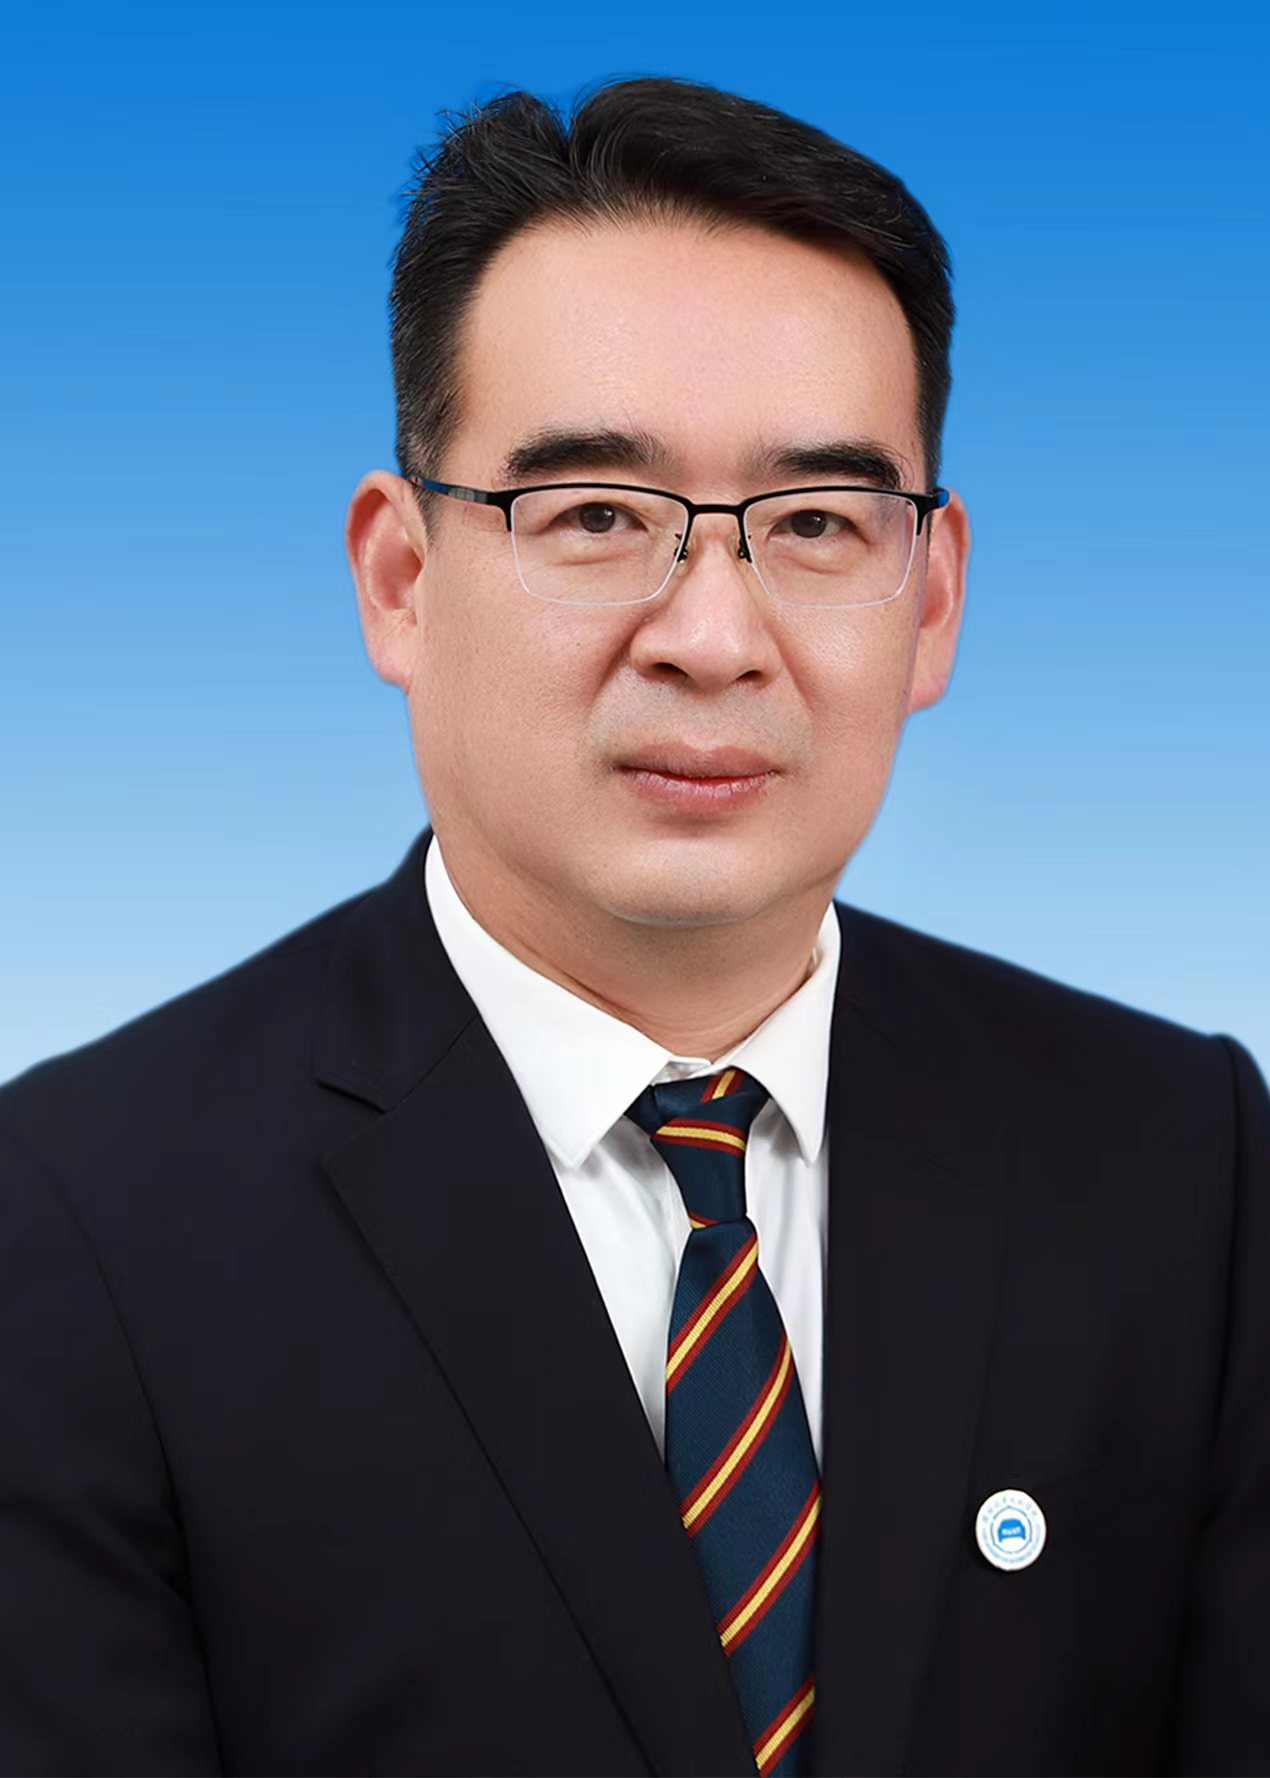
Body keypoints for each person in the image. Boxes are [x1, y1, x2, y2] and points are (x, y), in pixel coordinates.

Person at [0, 73, 1266, 1778]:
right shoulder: (76, 1224)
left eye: (814, 524)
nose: (712, 636)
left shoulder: (1177, 1163)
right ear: (399, 577)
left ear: (932, 599)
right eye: (596, 514)